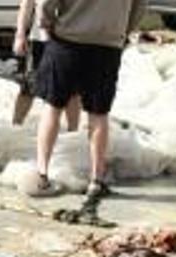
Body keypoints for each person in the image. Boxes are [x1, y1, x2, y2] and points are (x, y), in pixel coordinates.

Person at [35, 0, 145, 201]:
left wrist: (47, 23)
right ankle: (96, 179)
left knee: (52, 107)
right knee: (98, 114)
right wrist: (123, 31)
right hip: (107, 45)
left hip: (67, 40)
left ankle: (42, 173)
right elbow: (139, 7)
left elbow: (47, 3)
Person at [13, 0, 81, 196]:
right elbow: (26, 5)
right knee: (28, 86)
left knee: (72, 90)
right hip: (40, 40)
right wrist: (20, 34)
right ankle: (15, 128)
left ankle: (72, 135)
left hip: (69, 39)